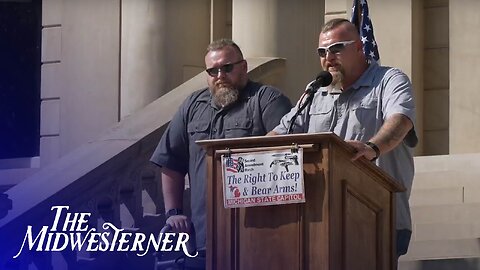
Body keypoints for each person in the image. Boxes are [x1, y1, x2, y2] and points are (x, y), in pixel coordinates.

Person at [268, 18, 417, 258]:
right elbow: (282, 132)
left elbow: (400, 121)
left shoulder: (389, 80)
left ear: (359, 48)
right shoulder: (315, 90)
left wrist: (372, 148)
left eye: (337, 48)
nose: (329, 57)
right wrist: (251, 151)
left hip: (377, 213)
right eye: (322, 51)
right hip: (320, 217)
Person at [150, 39, 292, 255]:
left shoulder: (267, 100)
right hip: (202, 235)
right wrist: (174, 212)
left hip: (258, 234)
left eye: (227, 68)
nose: (220, 76)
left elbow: (290, 160)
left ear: (243, 67)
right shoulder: (192, 105)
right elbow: (170, 161)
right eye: (213, 70)